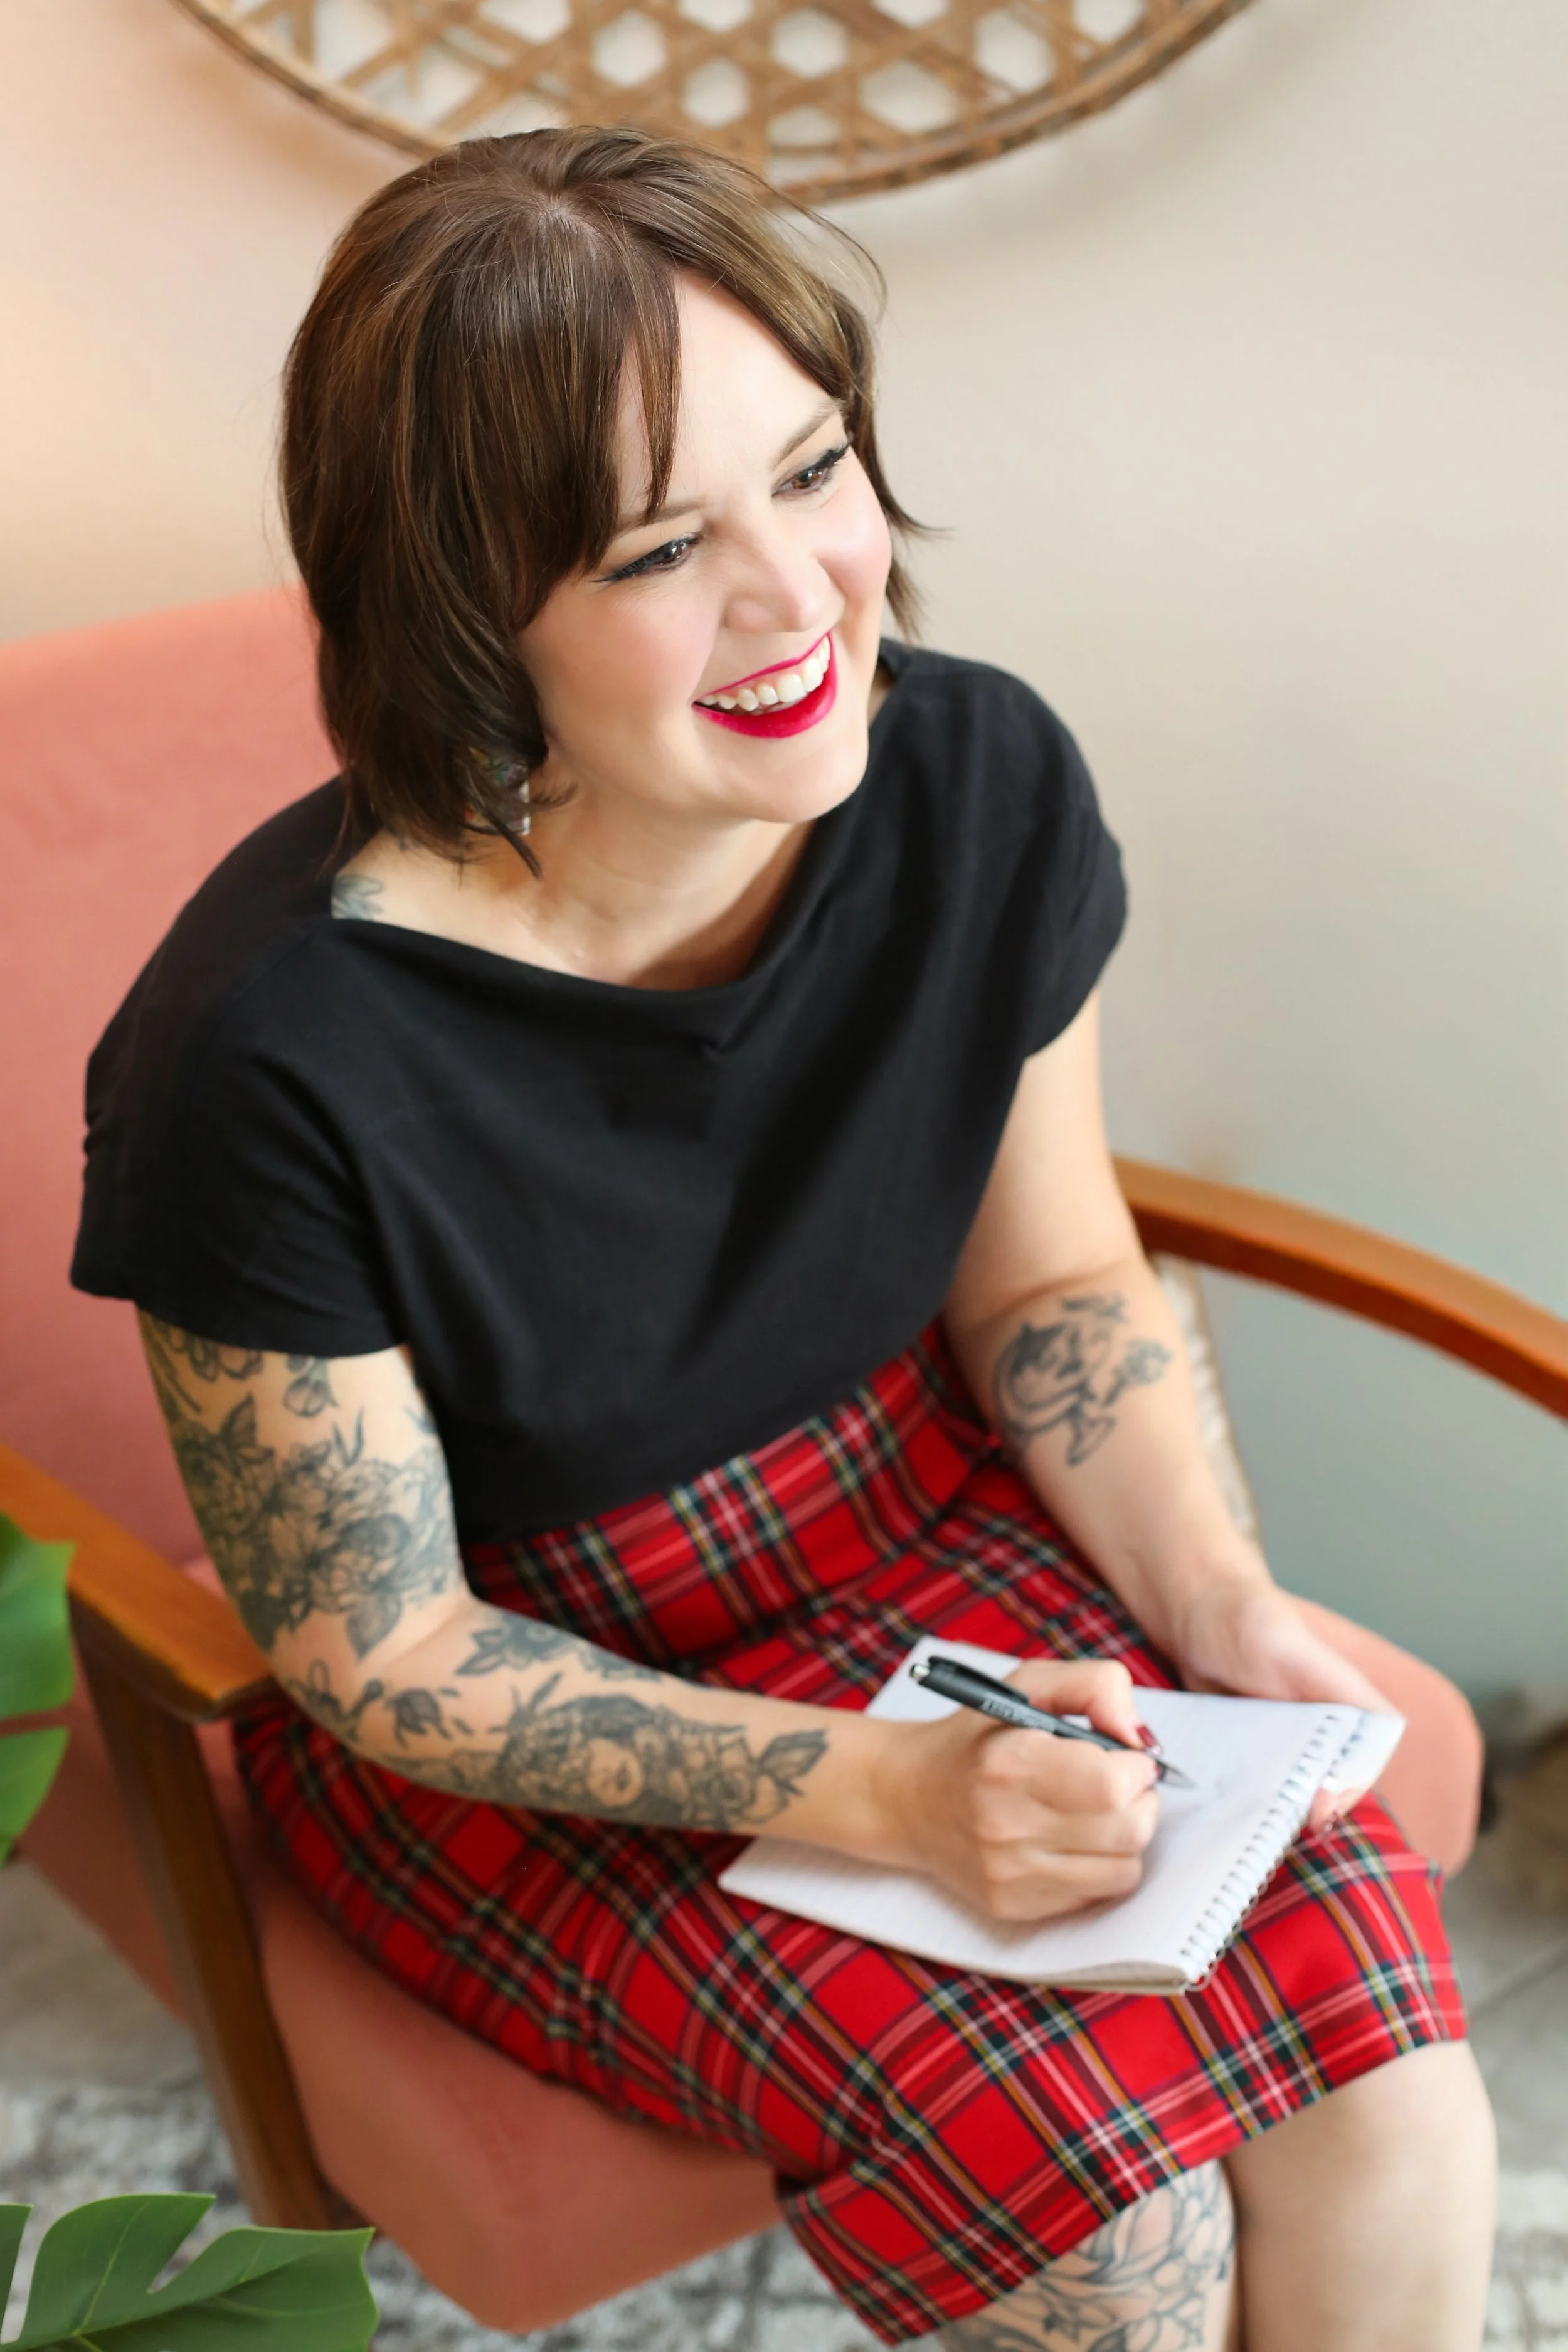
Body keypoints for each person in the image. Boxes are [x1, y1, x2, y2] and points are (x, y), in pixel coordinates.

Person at [72, 127, 1495, 2349]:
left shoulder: (975, 782)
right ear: (467, 612)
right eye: (659, 544)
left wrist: (1221, 1607)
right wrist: (889, 1793)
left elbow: (1050, 1283)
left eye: (813, 469)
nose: (800, 591)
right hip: (543, 1704)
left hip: (923, 1530)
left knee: (1392, 2088)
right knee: (1117, 2238)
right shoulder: (262, 1064)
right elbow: (390, 1659)